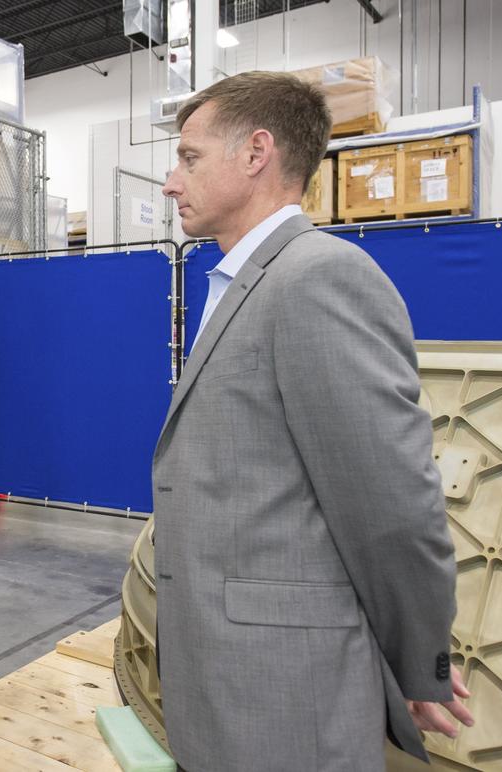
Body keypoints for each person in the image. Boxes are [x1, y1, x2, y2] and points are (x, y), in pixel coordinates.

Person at [153, 71, 471, 771]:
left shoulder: (319, 279)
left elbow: (390, 504)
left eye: (189, 157)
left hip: (286, 698)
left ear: (256, 152)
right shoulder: (240, 281)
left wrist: (416, 665)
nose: (172, 182)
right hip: (226, 682)